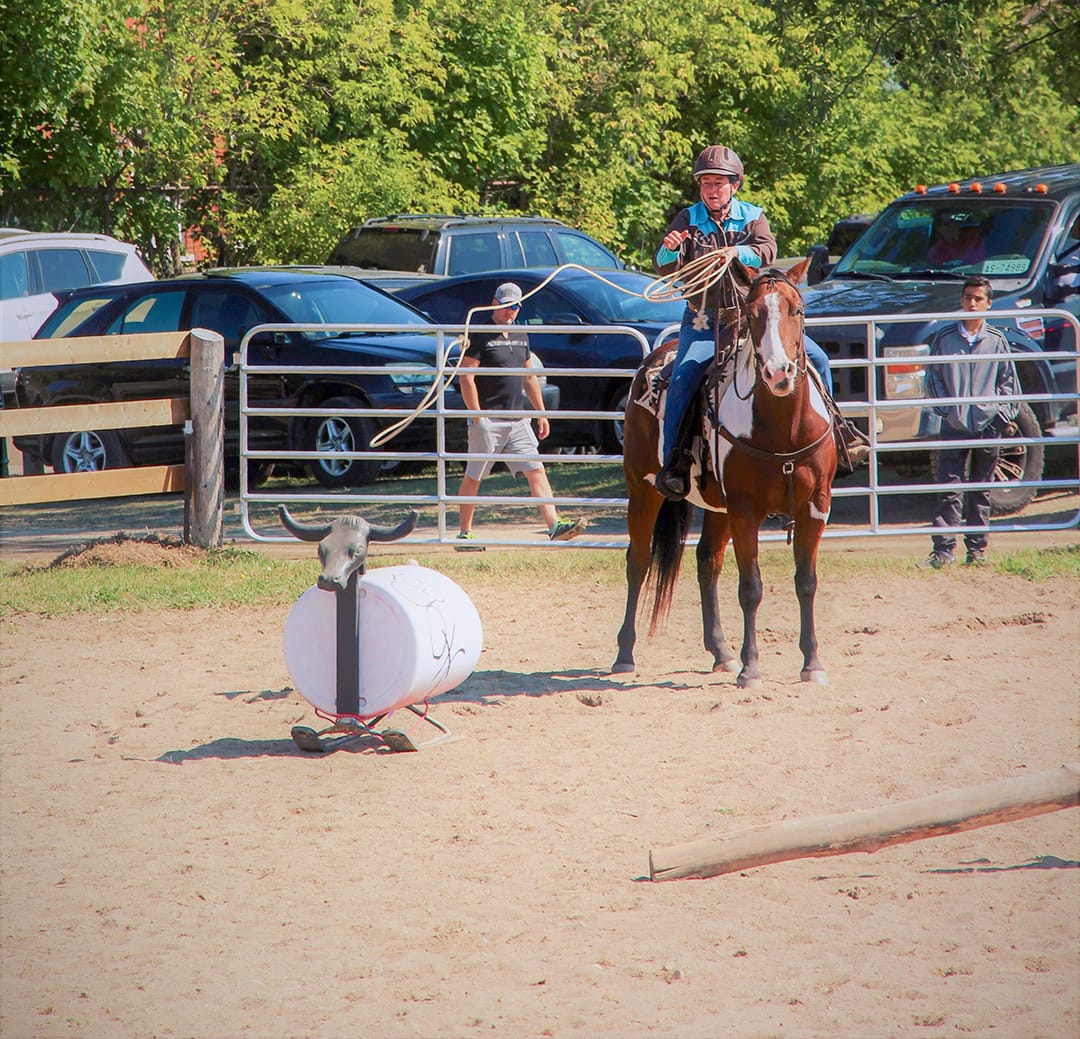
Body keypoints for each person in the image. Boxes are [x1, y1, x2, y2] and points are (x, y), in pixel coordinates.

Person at [652, 145, 852, 499]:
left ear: (735, 186)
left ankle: (839, 437)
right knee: (683, 378)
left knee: (817, 359)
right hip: (704, 319)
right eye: (706, 183)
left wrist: (735, 252)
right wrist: (668, 248)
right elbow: (666, 268)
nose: (712, 189)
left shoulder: (752, 216)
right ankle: (675, 463)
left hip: (751, 319)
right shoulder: (687, 219)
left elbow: (766, 250)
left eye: (719, 182)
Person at [454, 282, 586, 550]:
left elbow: (529, 377)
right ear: (494, 304)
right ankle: (464, 533)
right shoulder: (480, 335)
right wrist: (476, 415)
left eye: (515, 306)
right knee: (474, 475)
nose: (510, 311)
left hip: (517, 418)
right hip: (489, 419)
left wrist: (540, 413)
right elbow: (466, 376)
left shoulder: (521, 335)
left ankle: (554, 526)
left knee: (536, 470)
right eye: (505, 306)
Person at [925, 275, 1019, 569]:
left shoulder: (997, 340)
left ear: (988, 304)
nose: (972, 303)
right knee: (949, 487)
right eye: (968, 297)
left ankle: (976, 550)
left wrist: (1001, 415)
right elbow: (934, 377)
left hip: (987, 423)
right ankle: (943, 550)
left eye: (978, 298)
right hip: (955, 424)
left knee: (981, 488)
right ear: (961, 300)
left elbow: (1009, 383)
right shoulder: (944, 338)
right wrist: (947, 409)